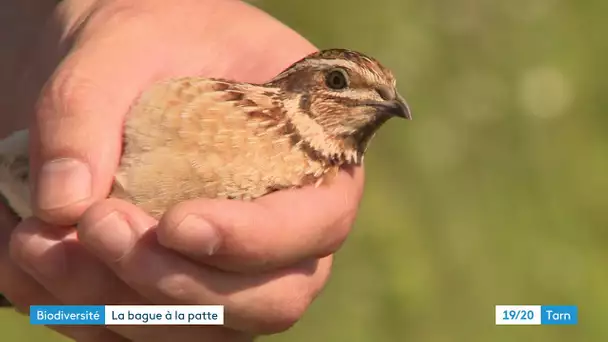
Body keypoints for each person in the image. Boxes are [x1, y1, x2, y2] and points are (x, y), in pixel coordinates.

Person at [0, 0, 365, 341]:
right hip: (23, 181)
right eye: (337, 82)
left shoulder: (300, 183)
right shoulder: (229, 95)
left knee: (89, 304)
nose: (370, 101)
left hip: (27, 243)